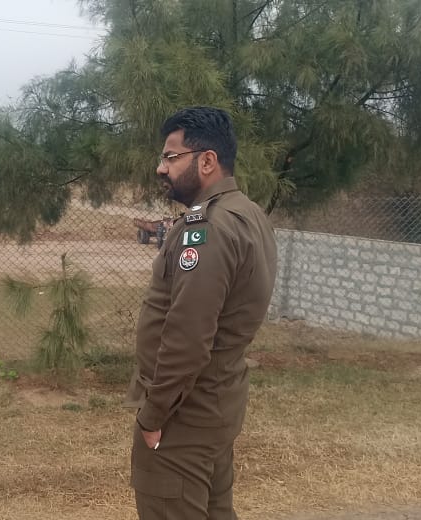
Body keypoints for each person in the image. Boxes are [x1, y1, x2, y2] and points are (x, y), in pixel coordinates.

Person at [125, 106, 278, 519]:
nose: (161, 168)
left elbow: (188, 337)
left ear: (207, 160)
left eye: (171, 157)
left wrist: (153, 415)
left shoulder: (207, 229)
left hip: (183, 418)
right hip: (216, 403)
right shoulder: (247, 213)